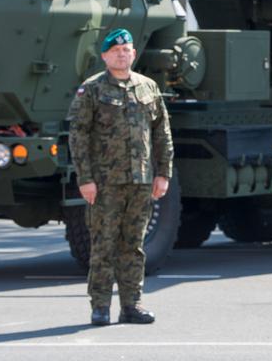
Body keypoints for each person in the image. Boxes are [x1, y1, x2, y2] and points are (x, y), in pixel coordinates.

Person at [67, 28, 173, 326]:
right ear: (104, 56)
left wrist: (163, 173)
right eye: (116, 51)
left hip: (141, 181)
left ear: (134, 54)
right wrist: (85, 179)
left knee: (133, 246)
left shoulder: (148, 87)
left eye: (126, 49)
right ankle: (100, 306)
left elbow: (162, 134)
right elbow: (78, 136)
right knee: (103, 245)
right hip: (105, 184)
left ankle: (132, 305)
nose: (122, 54)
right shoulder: (92, 89)